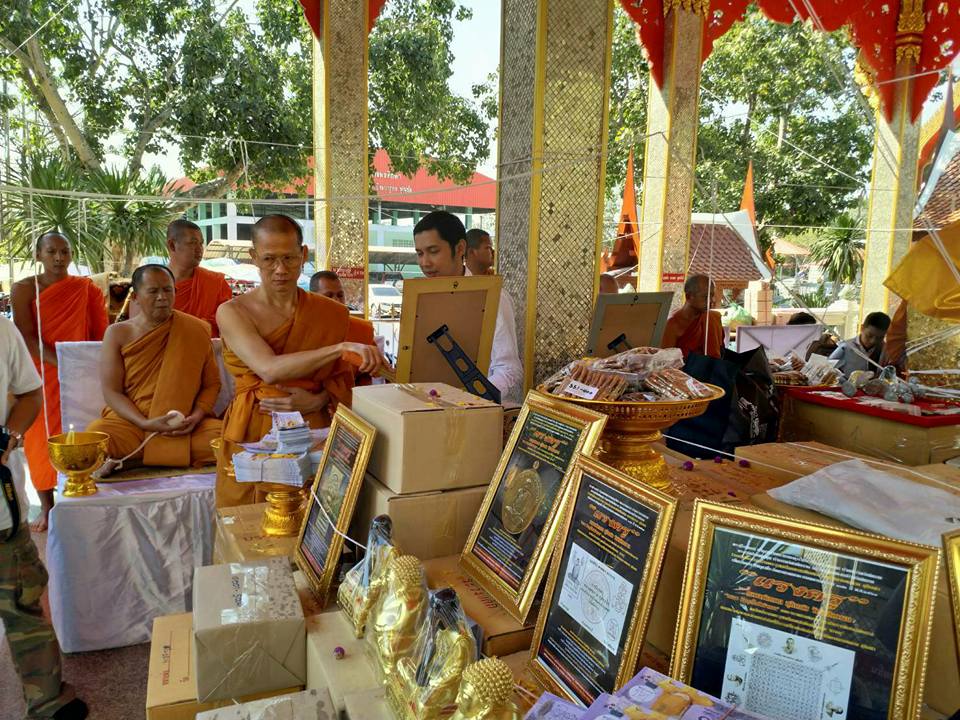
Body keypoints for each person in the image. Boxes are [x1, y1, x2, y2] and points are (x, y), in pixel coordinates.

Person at [216, 214, 388, 507]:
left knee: (316, 518)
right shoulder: (233, 312)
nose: (280, 270)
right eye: (269, 259)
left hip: (314, 427)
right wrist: (339, 348)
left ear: (304, 255)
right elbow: (268, 369)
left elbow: (341, 378)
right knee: (250, 525)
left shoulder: (329, 313)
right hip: (254, 427)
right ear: (253, 257)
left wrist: (321, 398)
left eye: (289, 258)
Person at [0, 315, 89, 719]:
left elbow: (31, 393)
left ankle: (47, 700)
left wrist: (10, 437)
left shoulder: (2, 331)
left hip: (1, 509)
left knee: (22, 598)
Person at [11, 232, 109, 531]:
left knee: (83, 430)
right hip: (41, 373)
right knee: (41, 440)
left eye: (64, 251)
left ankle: (83, 495)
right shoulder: (24, 289)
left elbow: (100, 332)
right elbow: (25, 336)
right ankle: (48, 508)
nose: (58, 257)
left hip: (79, 372)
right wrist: (60, 361)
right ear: (39, 255)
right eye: (51, 251)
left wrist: (90, 365)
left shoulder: (85, 288)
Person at [85, 265, 223, 476]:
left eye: (168, 290)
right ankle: (161, 457)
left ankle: (132, 461)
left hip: (182, 427)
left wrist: (195, 416)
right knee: (96, 437)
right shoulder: (118, 334)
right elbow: (112, 392)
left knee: (226, 439)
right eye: (153, 291)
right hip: (132, 424)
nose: (162, 297)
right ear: (137, 297)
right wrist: (145, 422)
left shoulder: (196, 329)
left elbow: (211, 384)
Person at [414, 211, 522, 399]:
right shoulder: (419, 299)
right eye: (420, 253)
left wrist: (468, 398)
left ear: (460, 248)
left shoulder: (493, 298)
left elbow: (510, 371)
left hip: (474, 412)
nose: (425, 263)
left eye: (433, 251)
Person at [309, 269, 380, 386]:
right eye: (329, 295)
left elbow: (368, 374)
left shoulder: (361, 330)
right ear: (313, 297)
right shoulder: (302, 328)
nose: (336, 301)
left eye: (340, 295)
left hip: (348, 399)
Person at [166, 219, 232, 336]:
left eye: (201, 243)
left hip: (207, 350)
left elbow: (229, 325)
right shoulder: (153, 285)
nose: (199, 249)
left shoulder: (216, 282)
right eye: (192, 243)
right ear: (172, 245)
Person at [661, 274, 724, 360]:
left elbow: (719, 351)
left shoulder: (712, 318)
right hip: (683, 372)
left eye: (712, 296)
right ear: (689, 296)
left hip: (712, 370)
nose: (711, 301)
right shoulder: (672, 324)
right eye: (706, 297)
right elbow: (666, 362)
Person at [829, 311, 891, 376]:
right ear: (862, 328)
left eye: (880, 338)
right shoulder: (846, 347)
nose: (873, 341)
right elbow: (828, 369)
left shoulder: (887, 351)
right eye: (869, 336)